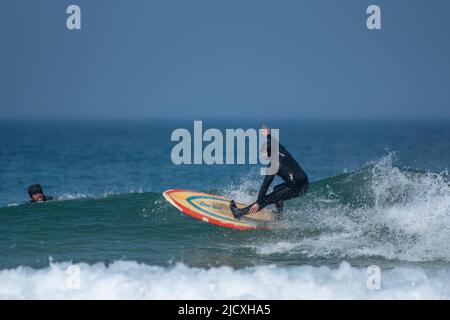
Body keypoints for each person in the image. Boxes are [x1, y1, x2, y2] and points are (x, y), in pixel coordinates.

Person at [230, 127, 309, 220]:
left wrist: (258, 202)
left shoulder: (273, 166)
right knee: (277, 190)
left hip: (296, 188)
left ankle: (239, 213)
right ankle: (279, 216)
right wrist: (268, 134)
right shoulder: (280, 149)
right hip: (305, 183)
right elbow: (273, 141)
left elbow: (265, 186)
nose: (262, 155)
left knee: (265, 200)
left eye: (263, 153)